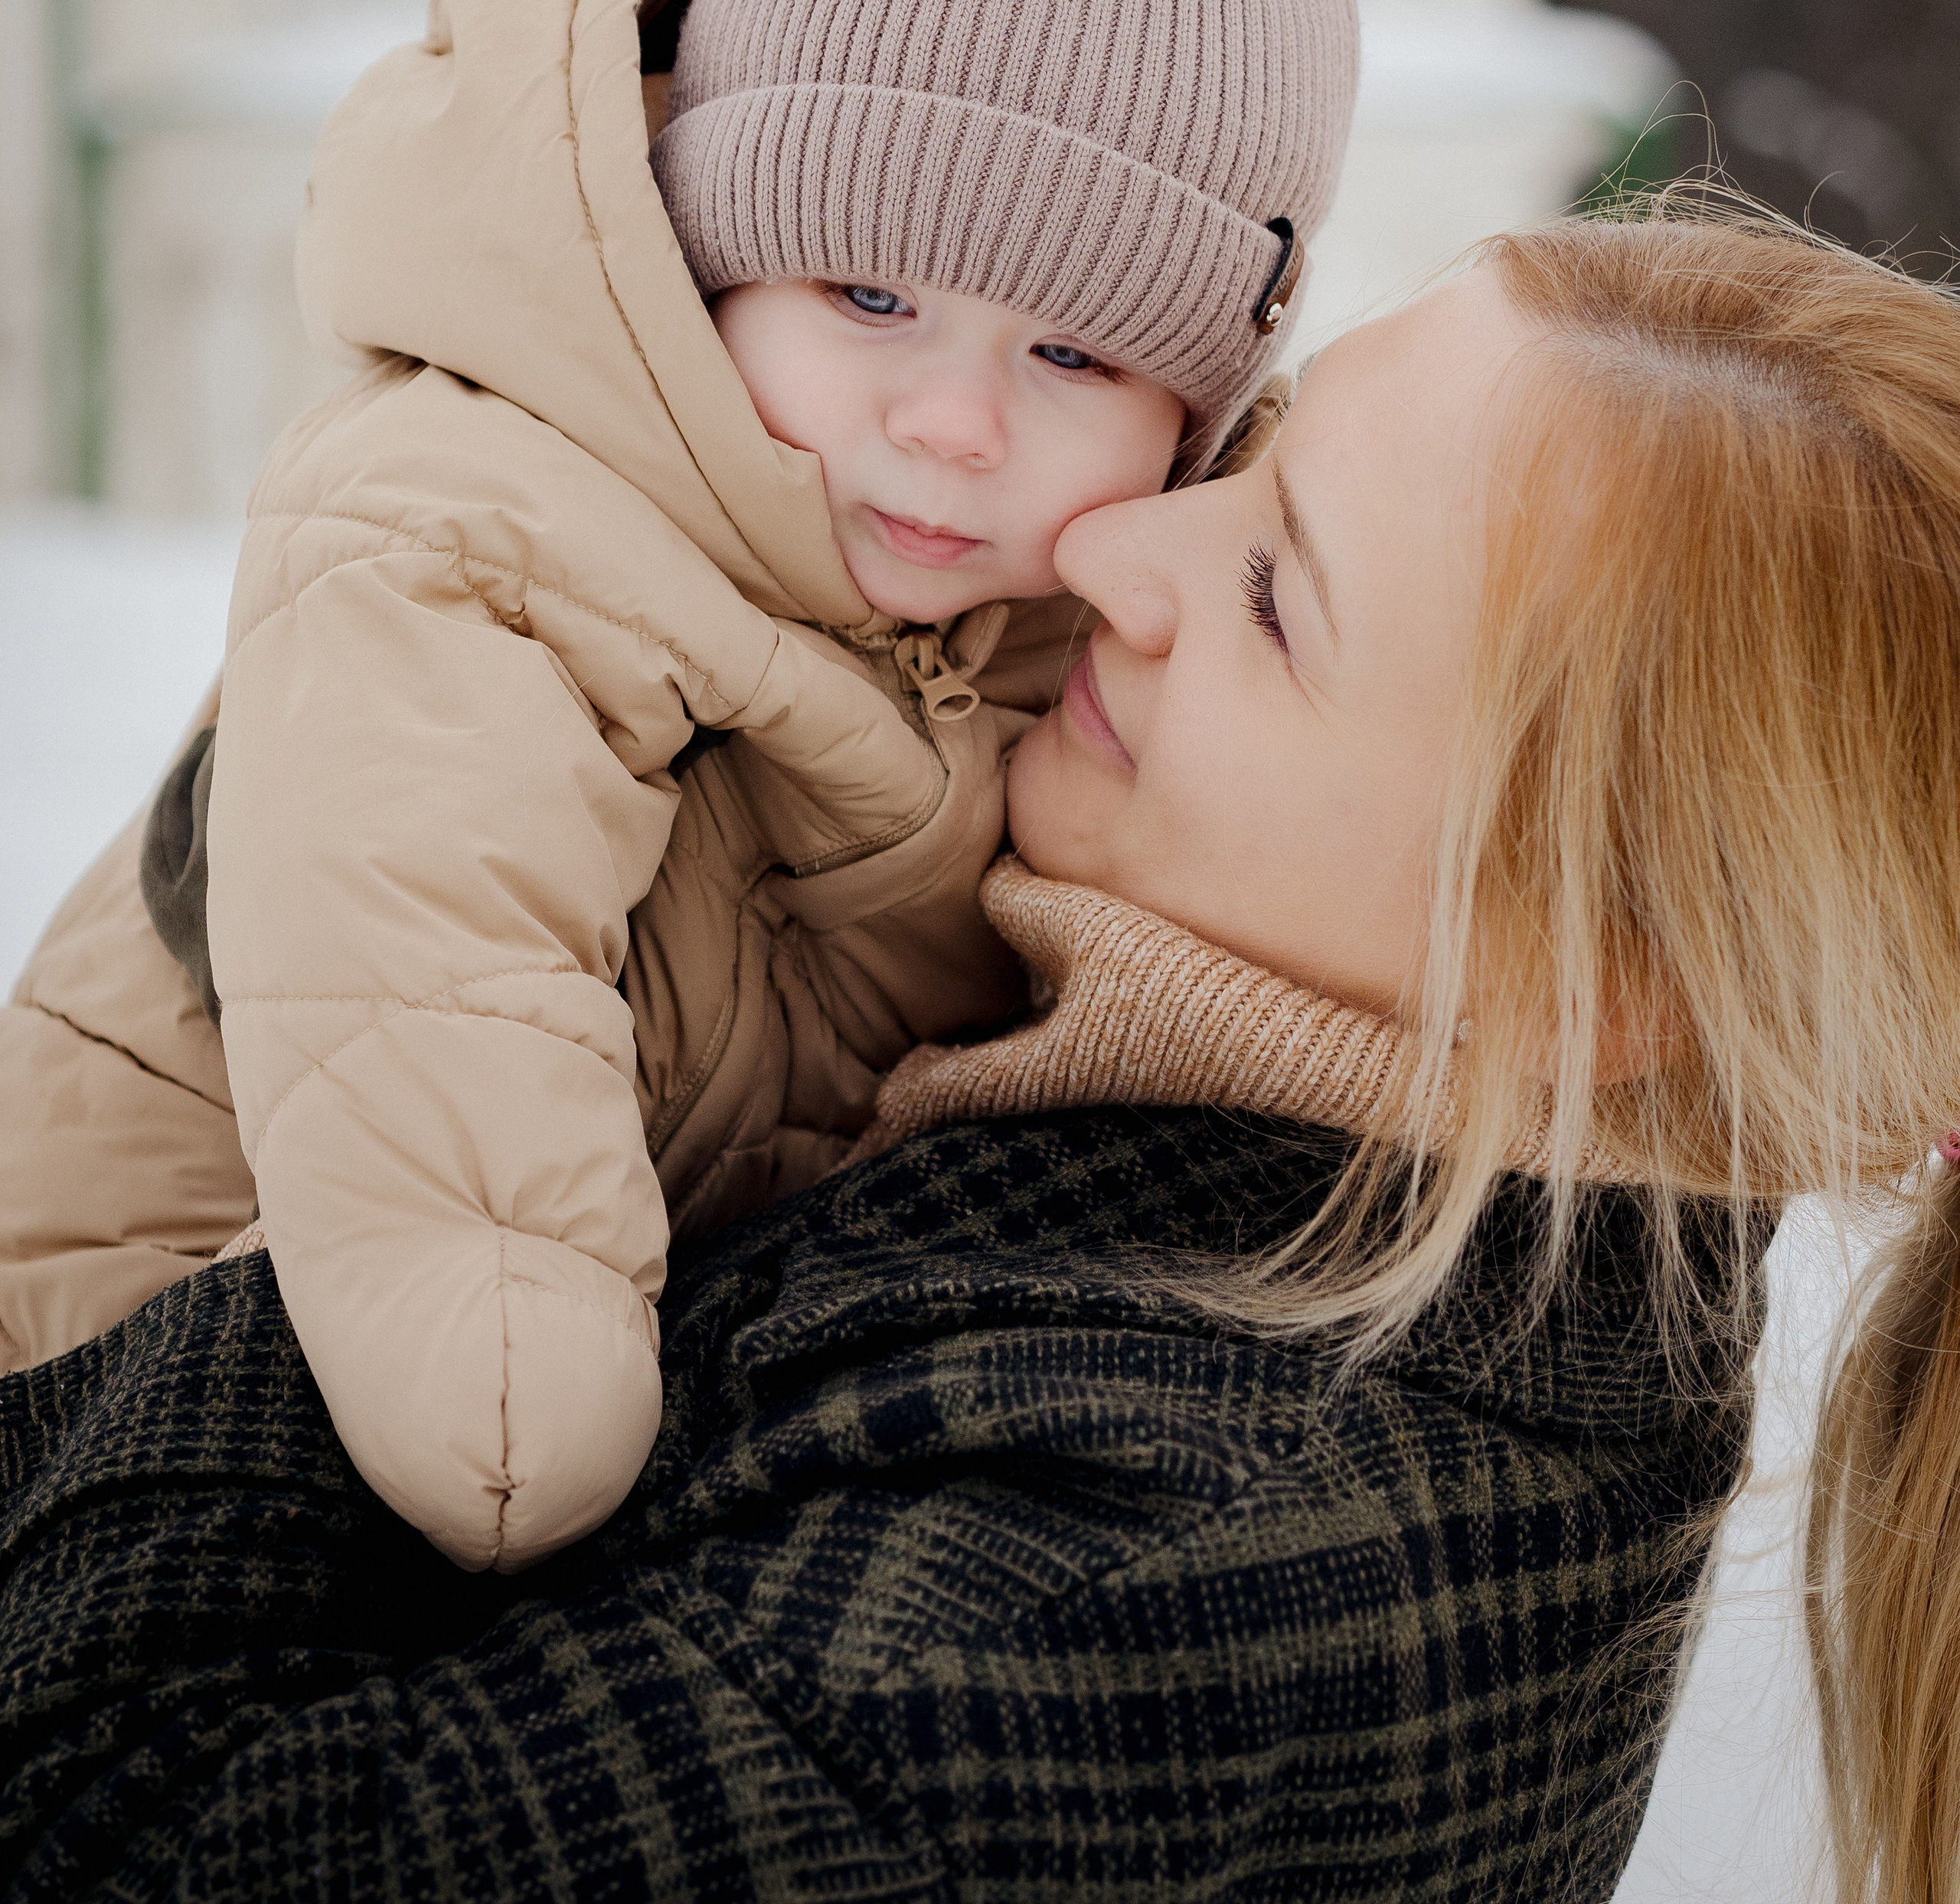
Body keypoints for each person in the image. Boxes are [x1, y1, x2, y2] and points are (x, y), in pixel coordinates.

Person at [10, 197, 1948, 1900]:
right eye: (1245, 461)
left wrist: (407, 1084)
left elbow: (114, 1825)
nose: (1114, 549)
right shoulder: (1298, 1205)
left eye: (1275, 600)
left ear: (1591, 983)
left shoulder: (1116, 1592)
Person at [0, 0, 1359, 1575]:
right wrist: (514, 1388)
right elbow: (422, 938)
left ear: (1198, 404)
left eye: (1072, 360)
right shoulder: (486, 523)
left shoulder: (1078, 628)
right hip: (149, 1342)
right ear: (705, 248)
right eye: (866, 297)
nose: (951, 421)